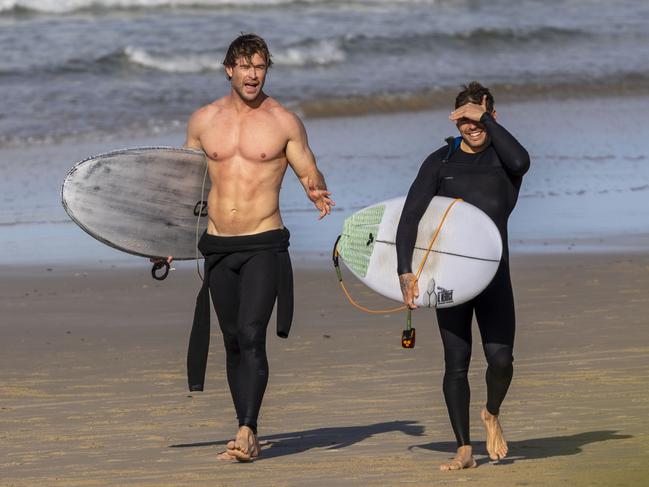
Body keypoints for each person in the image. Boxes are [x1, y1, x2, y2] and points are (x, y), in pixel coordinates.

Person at [181, 33, 334, 462]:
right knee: (232, 340)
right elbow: (185, 188)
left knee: (251, 334)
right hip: (218, 248)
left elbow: (309, 170)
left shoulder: (284, 121)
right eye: (245, 66)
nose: (253, 74)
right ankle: (245, 424)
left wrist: (315, 190)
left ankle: (247, 429)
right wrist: (167, 241)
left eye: (260, 66)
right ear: (229, 69)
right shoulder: (202, 121)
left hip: (264, 243)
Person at [396, 82, 530, 470]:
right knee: (456, 360)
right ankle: (464, 449)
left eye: (477, 120)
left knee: (501, 360)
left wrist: (483, 116)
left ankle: (491, 413)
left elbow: (522, 162)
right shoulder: (440, 161)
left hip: (493, 276)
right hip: (450, 278)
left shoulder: (505, 161)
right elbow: (409, 217)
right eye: (464, 121)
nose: (470, 128)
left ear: (491, 117)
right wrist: (405, 271)